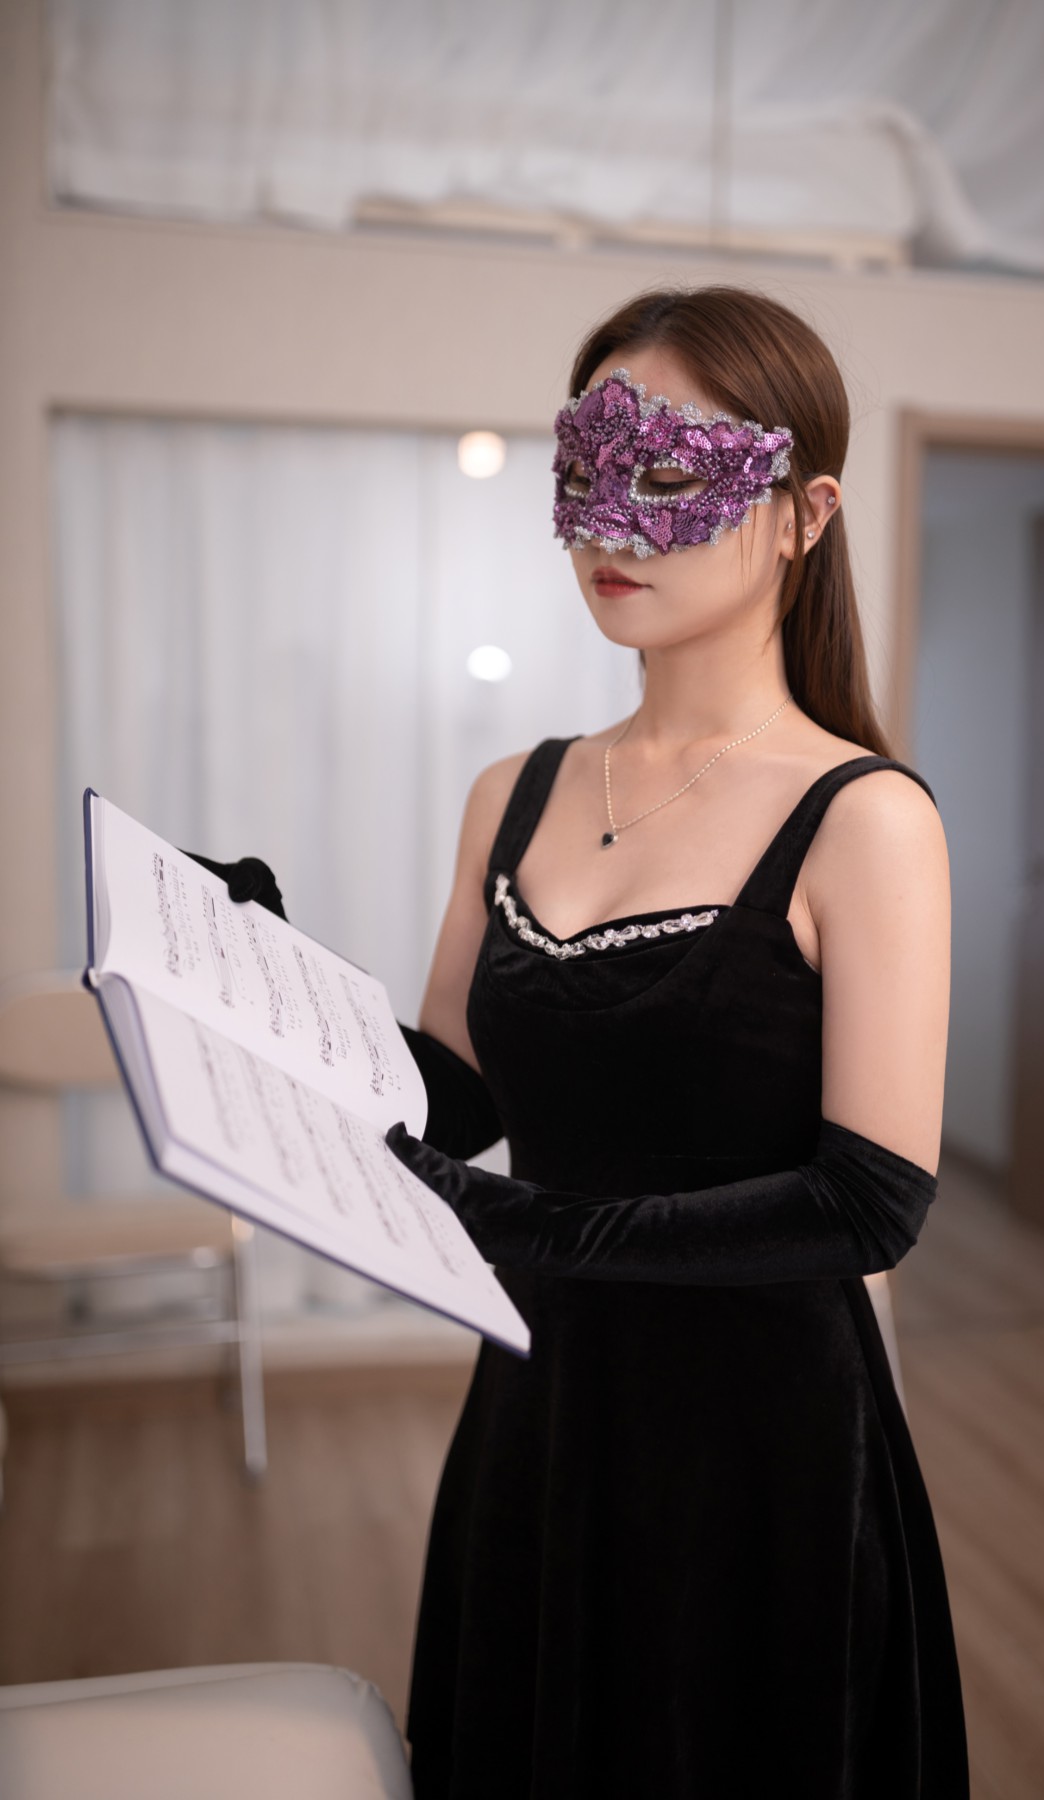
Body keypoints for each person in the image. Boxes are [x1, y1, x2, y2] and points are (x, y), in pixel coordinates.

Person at [198, 284, 970, 1798]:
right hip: (543, 1405)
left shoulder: (865, 817)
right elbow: (454, 1097)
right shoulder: (515, 790)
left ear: (805, 515)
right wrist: (256, 976)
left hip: (762, 1440)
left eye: (666, 472)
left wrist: (533, 1229)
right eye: (585, 468)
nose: (610, 521)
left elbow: (872, 1203)